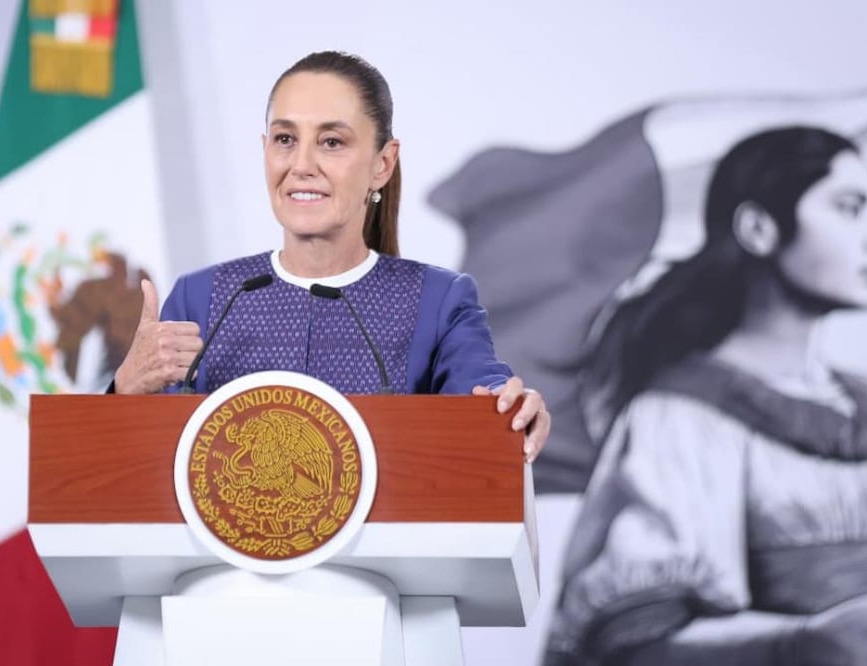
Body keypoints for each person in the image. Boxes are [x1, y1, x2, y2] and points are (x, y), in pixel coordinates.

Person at [111, 50, 551, 460]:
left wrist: (510, 409)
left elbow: (483, 396)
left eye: (332, 142)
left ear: (383, 163)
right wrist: (124, 389)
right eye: (285, 138)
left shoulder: (440, 301)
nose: (301, 164)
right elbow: (142, 465)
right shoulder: (202, 298)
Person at [544, 126, 867, 665]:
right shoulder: (680, 417)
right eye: (849, 207)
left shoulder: (856, 401)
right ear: (759, 228)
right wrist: (806, 641)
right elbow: (634, 638)